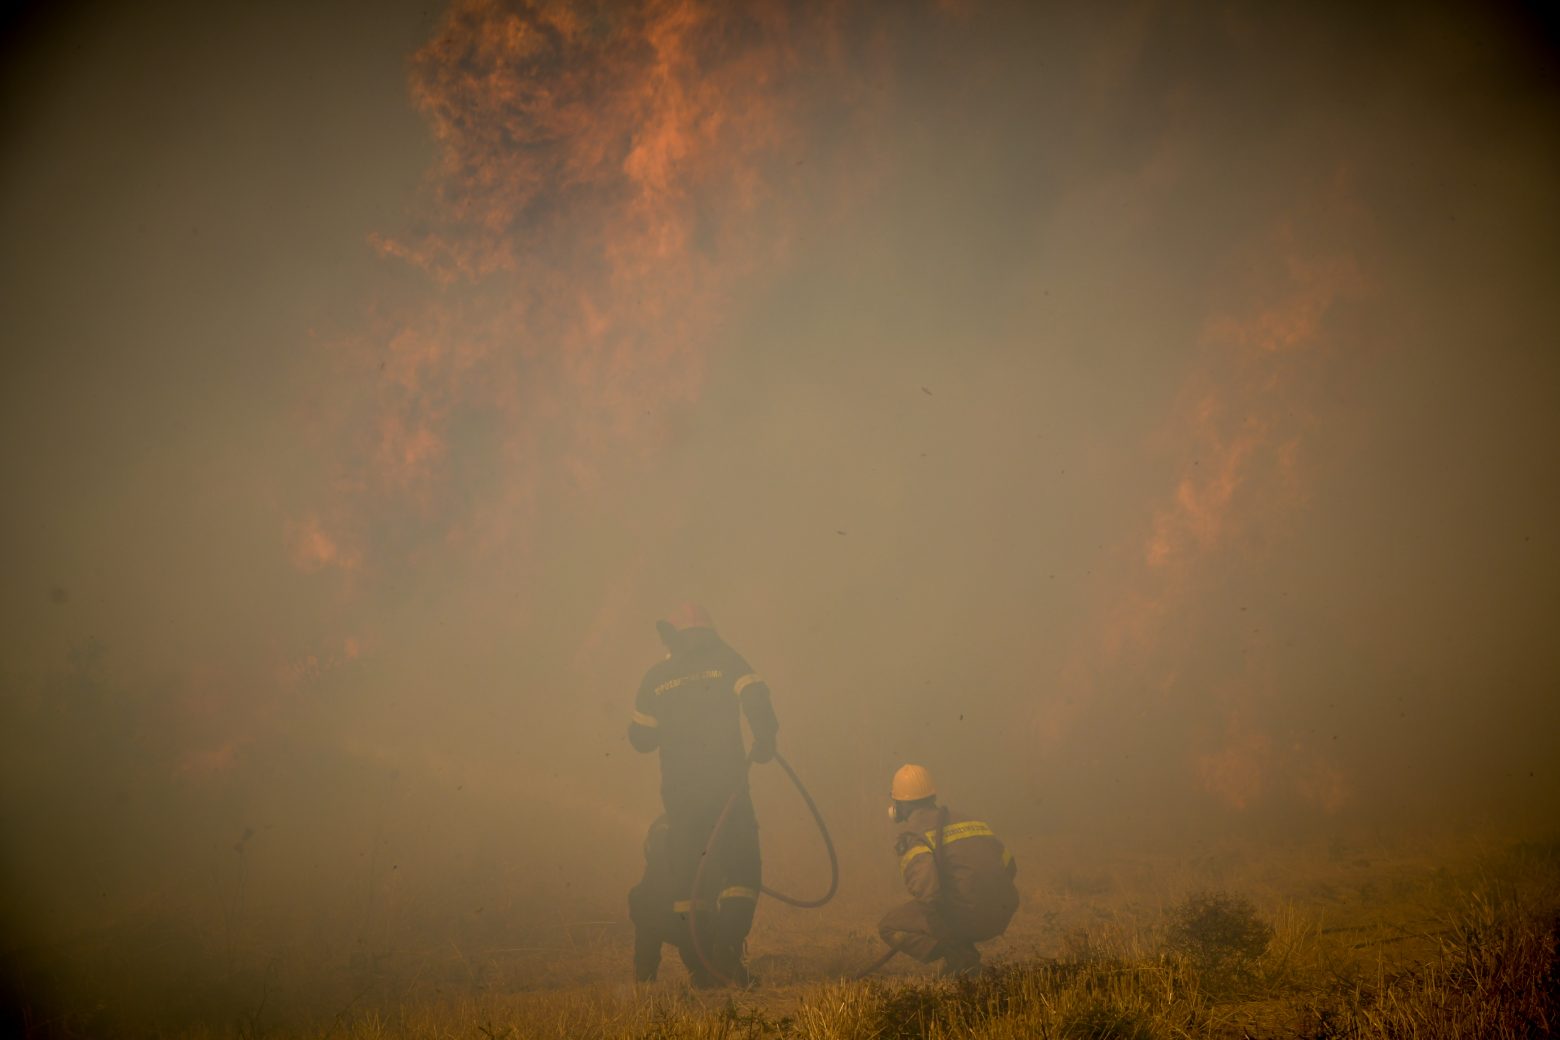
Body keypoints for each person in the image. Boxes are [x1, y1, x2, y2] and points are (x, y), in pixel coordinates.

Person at [627, 603, 778, 985]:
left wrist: (674, 718)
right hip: (727, 789)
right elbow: (756, 694)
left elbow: (640, 738)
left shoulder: (657, 675)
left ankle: (700, 965)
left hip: (679, 799)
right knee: (741, 869)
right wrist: (764, 737)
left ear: (672, 636)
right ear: (708, 632)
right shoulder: (726, 659)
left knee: (689, 880)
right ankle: (725, 953)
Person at [878, 763, 1019, 977]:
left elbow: (929, 897)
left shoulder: (915, 837)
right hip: (1002, 912)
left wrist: (949, 940)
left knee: (889, 926)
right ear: (931, 796)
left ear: (900, 805)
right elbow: (1010, 866)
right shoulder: (969, 821)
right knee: (951, 904)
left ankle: (960, 957)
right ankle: (961, 952)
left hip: (969, 919)